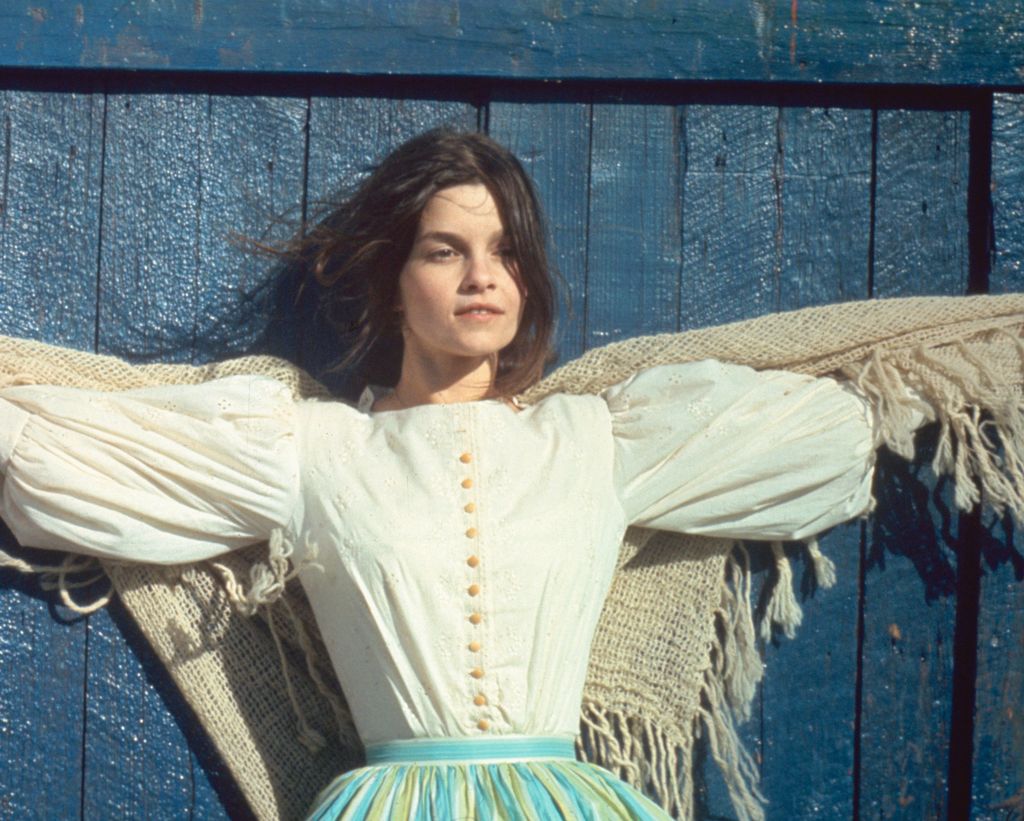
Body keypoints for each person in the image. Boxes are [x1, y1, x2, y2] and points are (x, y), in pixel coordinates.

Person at [0, 129, 889, 819]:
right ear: (393, 280)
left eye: (506, 253)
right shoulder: (310, 449)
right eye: (444, 251)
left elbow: (834, 440)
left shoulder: (595, 439)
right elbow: (58, 462)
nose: (483, 278)